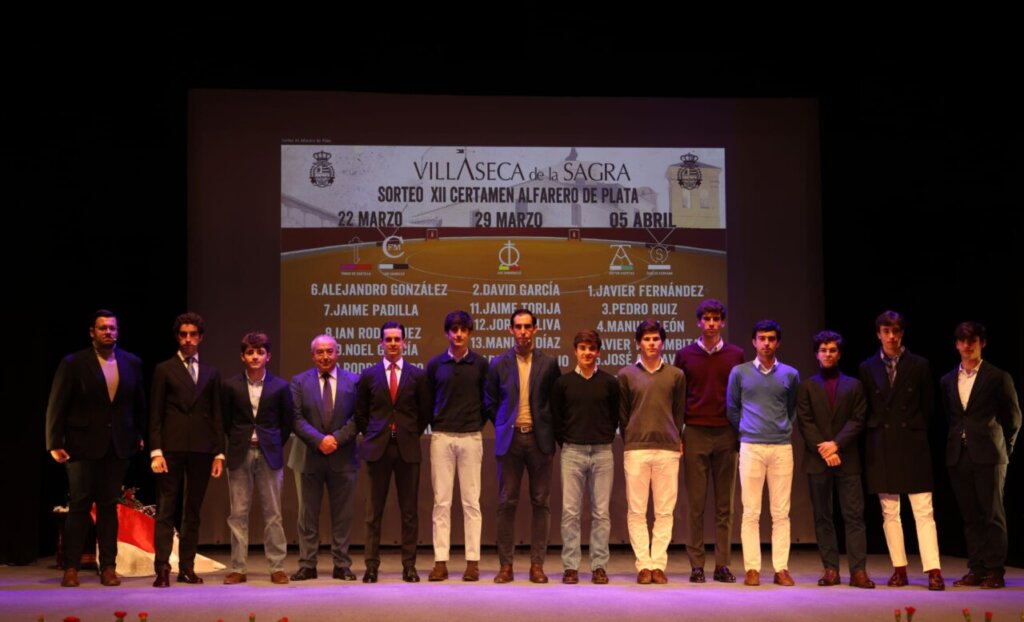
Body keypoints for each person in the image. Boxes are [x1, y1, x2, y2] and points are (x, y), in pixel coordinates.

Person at [45, 310, 146, 587]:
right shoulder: (74, 362)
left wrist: (138, 433)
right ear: (92, 332)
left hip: (118, 445)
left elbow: (138, 403)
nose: (108, 332)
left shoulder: (132, 362)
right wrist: (54, 442)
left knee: (108, 506)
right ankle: (71, 567)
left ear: (118, 331)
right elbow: (57, 403)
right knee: (79, 505)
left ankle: (109, 567)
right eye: (103, 328)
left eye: (112, 328)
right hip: (81, 445)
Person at [859, 310, 944, 590]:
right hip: (882, 443)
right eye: (886, 331)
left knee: (923, 510)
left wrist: (915, 431)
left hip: (913, 443)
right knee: (889, 511)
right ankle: (900, 569)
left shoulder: (919, 365)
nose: (891, 336)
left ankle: (933, 570)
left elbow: (928, 407)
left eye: (896, 331)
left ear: (902, 333)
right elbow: (867, 407)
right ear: (878, 334)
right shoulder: (867, 367)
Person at [940, 321, 1020, 589]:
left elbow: (1013, 418)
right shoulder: (947, 380)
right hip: (959, 455)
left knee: (992, 514)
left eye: (972, 341)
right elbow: (953, 417)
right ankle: (976, 568)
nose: (967, 346)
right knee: (970, 516)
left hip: (990, 455)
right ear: (956, 344)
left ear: (982, 343)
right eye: (962, 341)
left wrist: (1004, 448)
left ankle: (995, 570)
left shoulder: (998, 377)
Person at [485, 308, 561, 583]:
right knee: (507, 502)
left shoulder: (549, 363)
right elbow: (490, 401)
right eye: (518, 327)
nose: (523, 332)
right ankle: (506, 565)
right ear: (511, 330)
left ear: (535, 330)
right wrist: (503, 424)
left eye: (528, 326)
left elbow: (555, 401)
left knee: (541, 503)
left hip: (540, 441)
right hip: (511, 440)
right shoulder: (498, 363)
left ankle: (537, 565)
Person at [795, 330, 875, 589]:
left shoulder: (854, 385)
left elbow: (858, 419)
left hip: (847, 458)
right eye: (823, 350)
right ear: (816, 354)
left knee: (854, 516)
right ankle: (830, 569)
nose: (828, 354)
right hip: (817, 460)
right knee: (823, 516)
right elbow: (805, 422)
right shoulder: (807, 386)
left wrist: (836, 445)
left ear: (839, 354)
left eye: (832, 350)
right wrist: (825, 450)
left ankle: (858, 571)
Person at [149, 312, 224, 587]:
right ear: (177, 337)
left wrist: (219, 453)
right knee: (166, 509)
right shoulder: (164, 369)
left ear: (201, 337)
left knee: (192, 510)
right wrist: (156, 451)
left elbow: (216, 414)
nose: (188, 339)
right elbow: (155, 413)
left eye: (193, 334)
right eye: (183, 334)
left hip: (202, 449)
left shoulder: (211, 372)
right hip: (171, 448)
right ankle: (162, 567)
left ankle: (187, 567)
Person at [672, 298, 744, 583]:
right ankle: (697, 565)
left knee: (725, 505)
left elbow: (740, 396)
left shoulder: (736, 354)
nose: (711, 324)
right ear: (698, 322)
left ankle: (723, 565)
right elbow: (678, 399)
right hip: (695, 433)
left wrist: (739, 431)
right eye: (707, 319)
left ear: (722, 323)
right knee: (696, 504)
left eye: (716, 319)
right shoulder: (684, 355)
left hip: (726, 433)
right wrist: (678, 434)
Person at [354, 321, 431, 583]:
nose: (393, 344)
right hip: (377, 449)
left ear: (405, 342)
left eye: (397, 339)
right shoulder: (369, 375)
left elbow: (424, 413)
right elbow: (361, 414)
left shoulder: (418, 375)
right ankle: (371, 566)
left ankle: (409, 566)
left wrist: (409, 433)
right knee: (373, 513)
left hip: (407, 448)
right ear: (381, 343)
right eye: (388, 339)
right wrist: (375, 434)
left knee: (409, 512)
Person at [726, 320, 799, 587]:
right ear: (754, 342)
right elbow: (732, 408)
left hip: (781, 447)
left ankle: (781, 568)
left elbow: (792, 409)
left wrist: (782, 428)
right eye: (761, 338)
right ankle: (752, 568)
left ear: (777, 342)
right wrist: (747, 429)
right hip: (751, 446)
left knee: (781, 512)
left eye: (771, 338)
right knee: (751, 511)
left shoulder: (790, 374)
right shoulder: (739, 372)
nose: (766, 343)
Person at [221, 332, 294, 585]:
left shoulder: (280, 386)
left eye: (260, 352)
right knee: (238, 513)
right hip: (240, 453)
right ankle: (238, 568)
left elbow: (286, 423)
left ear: (268, 356)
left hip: (269, 453)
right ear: (243, 356)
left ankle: (277, 567)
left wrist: (271, 442)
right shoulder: (230, 386)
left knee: (273, 513)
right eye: (250, 352)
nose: (255, 357)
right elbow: (226, 421)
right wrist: (240, 440)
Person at [617, 318, 686, 585]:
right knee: (636, 511)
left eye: (656, 339)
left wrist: (676, 438)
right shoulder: (626, 374)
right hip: (636, 449)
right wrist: (631, 438)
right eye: (646, 339)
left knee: (664, 512)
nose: (651, 343)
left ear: (663, 342)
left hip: (667, 449)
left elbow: (678, 412)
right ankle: (643, 565)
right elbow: (623, 415)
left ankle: (658, 564)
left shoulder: (676, 375)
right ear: (638, 343)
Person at [287, 334, 360, 582]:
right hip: (308, 456)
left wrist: (335, 439)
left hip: (343, 455)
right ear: (313, 356)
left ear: (337, 353)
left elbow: (358, 418)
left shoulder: (354, 381)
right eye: (320, 352)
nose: (325, 356)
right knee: (307, 516)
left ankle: (342, 564)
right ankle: (307, 564)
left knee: (343, 515)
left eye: (330, 351)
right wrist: (320, 440)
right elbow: (295, 418)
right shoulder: (299, 382)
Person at [551, 329, 620, 585]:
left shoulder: (610, 382)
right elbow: (557, 419)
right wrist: (568, 442)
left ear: (598, 352)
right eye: (583, 348)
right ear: (575, 351)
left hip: (602, 452)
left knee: (601, 513)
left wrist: (604, 437)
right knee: (570, 512)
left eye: (592, 348)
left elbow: (615, 416)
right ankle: (571, 567)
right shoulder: (563, 383)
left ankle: (599, 566)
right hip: (572, 452)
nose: (587, 353)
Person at [425, 311, 489, 582]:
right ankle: (440, 562)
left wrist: (476, 422)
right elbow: (427, 400)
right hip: (441, 437)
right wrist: (437, 422)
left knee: (471, 502)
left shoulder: (481, 364)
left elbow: (487, 401)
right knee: (441, 502)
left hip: (471, 437)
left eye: (464, 330)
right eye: (454, 329)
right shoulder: (435, 364)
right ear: (447, 333)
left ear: (470, 333)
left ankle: (472, 562)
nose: (459, 334)